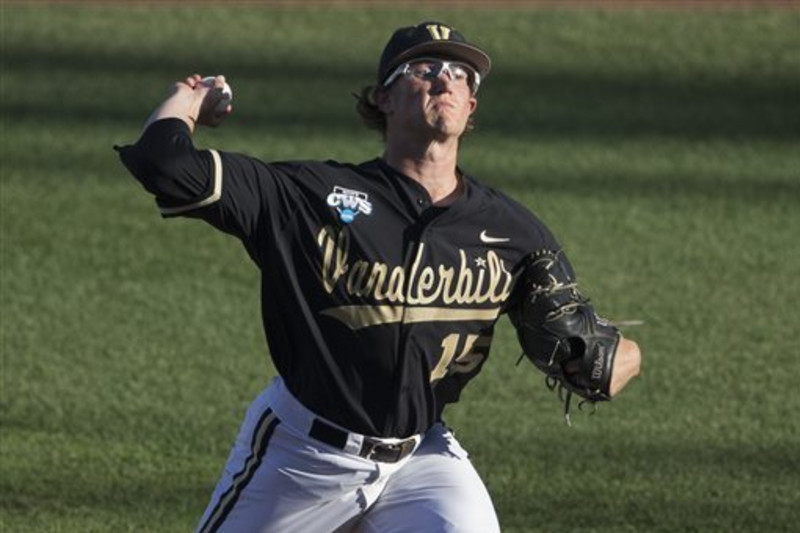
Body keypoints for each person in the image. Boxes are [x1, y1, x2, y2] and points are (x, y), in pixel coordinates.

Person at [116, 21, 641, 533]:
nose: (445, 79)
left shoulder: (512, 231)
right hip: (303, 455)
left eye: (461, 76)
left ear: (471, 107)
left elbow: (601, 354)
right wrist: (188, 100)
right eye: (424, 67)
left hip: (421, 460)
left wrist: (606, 362)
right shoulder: (307, 195)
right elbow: (163, 164)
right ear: (383, 98)